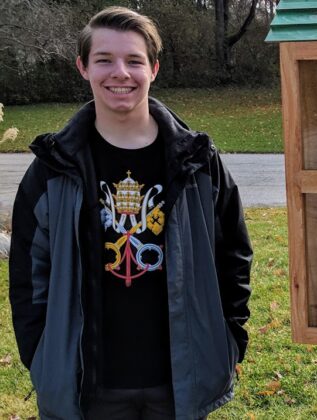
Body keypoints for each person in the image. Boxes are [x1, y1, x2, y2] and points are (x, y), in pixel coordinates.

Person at [9, 6, 252, 419]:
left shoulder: (197, 161)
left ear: (154, 69)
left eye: (134, 60)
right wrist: (42, 355)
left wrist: (229, 338)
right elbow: (30, 274)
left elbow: (233, 256)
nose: (119, 72)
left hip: (179, 380)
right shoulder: (53, 168)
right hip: (89, 383)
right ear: (83, 67)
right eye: (104, 59)